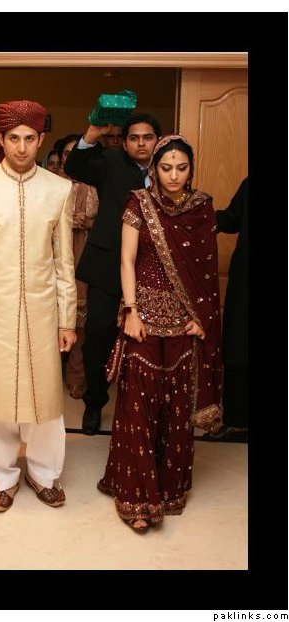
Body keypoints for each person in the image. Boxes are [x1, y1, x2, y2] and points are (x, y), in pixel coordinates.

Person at [0, 100, 77, 513]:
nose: (22, 147)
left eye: (30, 138)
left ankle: (44, 475)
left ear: (41, 139)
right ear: (1, 139)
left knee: (46, 402)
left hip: (42, 313)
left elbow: (64, 264)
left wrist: (67, 319)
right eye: (13, 138)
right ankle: (3, 478)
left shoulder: (59, 190)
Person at [97, 134, 222, 531]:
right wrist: (131, 311)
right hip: (144, 319)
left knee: (176, 408)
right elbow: (127, 260)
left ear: (191, 169)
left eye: (181, 168)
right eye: (166, 167)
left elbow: (206, 270)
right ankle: (136, 497)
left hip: (184, 322)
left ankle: (168, 491)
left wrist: (202, 318)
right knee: (138, 406)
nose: (173, 175)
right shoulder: (139, 203)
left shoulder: (201, 208)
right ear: (154, 168)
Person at [64, 112, 162, 434]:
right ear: (125, 142)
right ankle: (94, 402)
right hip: (108, 264)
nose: (141, 143)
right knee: (98, 336)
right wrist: (93, 133)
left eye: (147, 137)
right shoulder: (111, 161)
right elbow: (75, 167)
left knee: (148, 339)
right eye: (134, 138)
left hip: (151, 266)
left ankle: (144, 407)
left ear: (157, 140)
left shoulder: (168, 167)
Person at [202, 178, 248, 443]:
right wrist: (197, 215)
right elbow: (231, 219)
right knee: (238, 346)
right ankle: (239, 423)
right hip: (246, 282)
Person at [59, 135, 98, 399]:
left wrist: (87, 222)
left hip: (83, 255)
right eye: (67, 153)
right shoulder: (51, 185)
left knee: (80, 324)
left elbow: (109, 221)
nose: (71, 157)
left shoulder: (94, 185)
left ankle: (76, 377)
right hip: (53, 258)